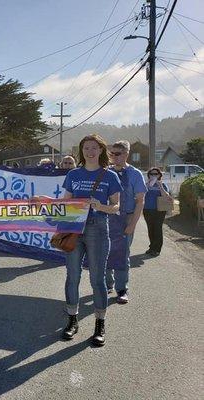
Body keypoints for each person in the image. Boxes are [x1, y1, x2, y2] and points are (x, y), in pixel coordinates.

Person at [60, 134, 122, 346]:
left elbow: (116, 207)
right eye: (86, 148)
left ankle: (99, 324)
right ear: (81, 151)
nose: (90, 151)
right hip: (74, 230)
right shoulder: (73, 174)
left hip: (98, 229)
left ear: (101, 150)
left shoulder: (110, 176)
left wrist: (100, 206)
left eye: (94, 147)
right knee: (73, 276)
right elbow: (64, 203)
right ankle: (72, 321)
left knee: (97, 279)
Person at [105, 140, 147, 304]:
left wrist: (132, 224)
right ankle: (107, 284)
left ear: (126, 154)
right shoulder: (106, 172)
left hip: (126, 218)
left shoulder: (135, 174)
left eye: (118, 154)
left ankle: (122, 289)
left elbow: (140, 201)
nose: (114, 157)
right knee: (104, 253)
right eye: (112, 153)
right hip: (107, 218)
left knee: (122, 255)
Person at [143, 167, 172, 257]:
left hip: (159, 210)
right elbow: (141, 194)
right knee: (150, 229)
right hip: (147, 209)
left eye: (156, 174)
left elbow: (166, 196)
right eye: (152, 174)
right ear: (149, 175)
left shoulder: (163, 184)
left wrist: (160, 186)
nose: (154, 175)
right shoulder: (146, 184)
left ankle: (157, 249)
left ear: (159, 175)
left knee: (157, 229)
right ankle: (152, 247)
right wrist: (147, 185)